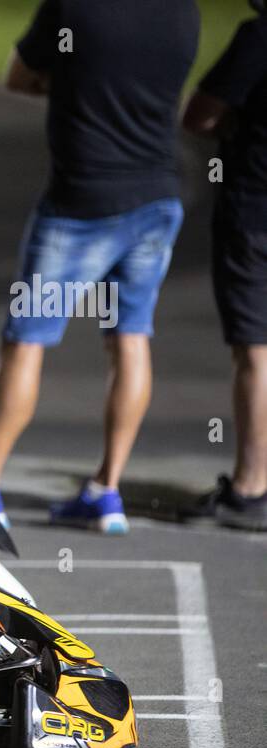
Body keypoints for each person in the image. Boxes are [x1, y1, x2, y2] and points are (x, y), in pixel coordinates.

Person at [0, 0, 198, 535]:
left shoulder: (73, 6)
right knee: (130, 336)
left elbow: (19, 77)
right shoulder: (183, 11)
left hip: (81, 206)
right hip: (158, 198)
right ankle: (106, 490)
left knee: (27, 339)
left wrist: (72, 84)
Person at [181, 0, 267, 532]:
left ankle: (252, 486)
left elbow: (201, 114)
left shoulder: (258, 37)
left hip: (255, 211)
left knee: (255, 351)